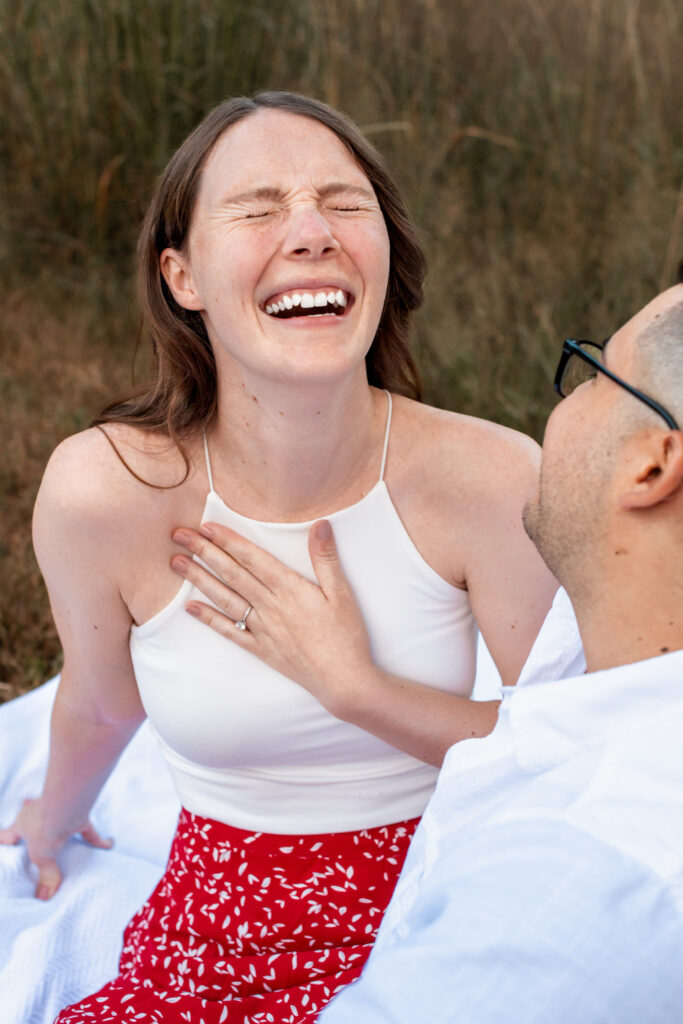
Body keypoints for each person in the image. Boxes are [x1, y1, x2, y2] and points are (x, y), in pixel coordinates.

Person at [0, 91, 557, 1023]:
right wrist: (48, 823)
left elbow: (565, 756)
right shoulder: (105, 493)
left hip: (442, 906)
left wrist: (357, 688)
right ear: (182, 275)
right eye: (258, 209)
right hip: (220, 935)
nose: (310, 231)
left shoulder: (493, 478)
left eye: (345, 204)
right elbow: (100, 702)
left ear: (383, 253)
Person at [191, 283, 681, 1023]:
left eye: (593, 372)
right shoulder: (626, 658)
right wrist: (356, 688)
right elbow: (548, 739)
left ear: (651, 464)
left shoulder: (564, 896)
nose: (562, 401)